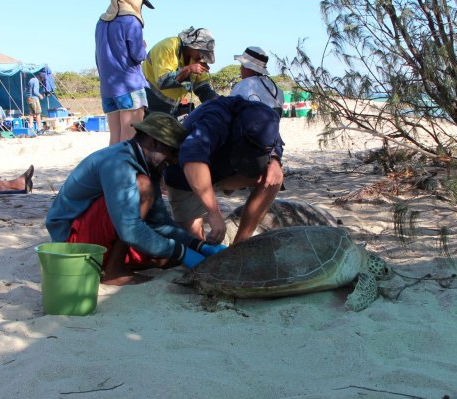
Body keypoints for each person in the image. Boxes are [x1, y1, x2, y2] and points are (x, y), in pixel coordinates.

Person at [45, 113, 225, 286]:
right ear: (154, 142)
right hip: (71, 240)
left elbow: (159, 222)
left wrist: (197, 245)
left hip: (98, 231)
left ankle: (114, 263)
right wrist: (183, 252)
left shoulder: (145, 164)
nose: (173, 161)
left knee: (165, 260)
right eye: (172, 153)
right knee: (143, 186)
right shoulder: (119, 164)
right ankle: (114, 271)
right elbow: (130, 229)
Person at [163, 96, 284, 245]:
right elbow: (191, 157)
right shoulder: (215, 118)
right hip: (187, 176)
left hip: (225, 171)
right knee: (195, 243)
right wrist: (214, 213)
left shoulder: (264, 118)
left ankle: (240, 244)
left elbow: (275, 143)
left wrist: (275, 160)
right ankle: (203, 208)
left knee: (272, 179)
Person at [96, 0, 155, 145]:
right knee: (130, 141)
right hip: (129, 86)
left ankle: (111, 168)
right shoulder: (131, 20)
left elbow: (98, 56)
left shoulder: (101, 22)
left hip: (108, 89)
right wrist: (142, 46)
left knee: (115, 140)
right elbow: (138, 55)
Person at [142, 27, 219, 116]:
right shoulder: (168, 46)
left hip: (171, 109)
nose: (202, 57)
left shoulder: (196, 59)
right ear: (192, 46)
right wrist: (189, 69)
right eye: (201, 53)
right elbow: (163, 81)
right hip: (149, 102)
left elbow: (201, 87)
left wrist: (217, 102)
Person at [230, 46, 284, 116]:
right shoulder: (276, 88)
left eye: (242, 65)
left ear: (248, 68)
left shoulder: (242, 86)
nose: (240, 68)